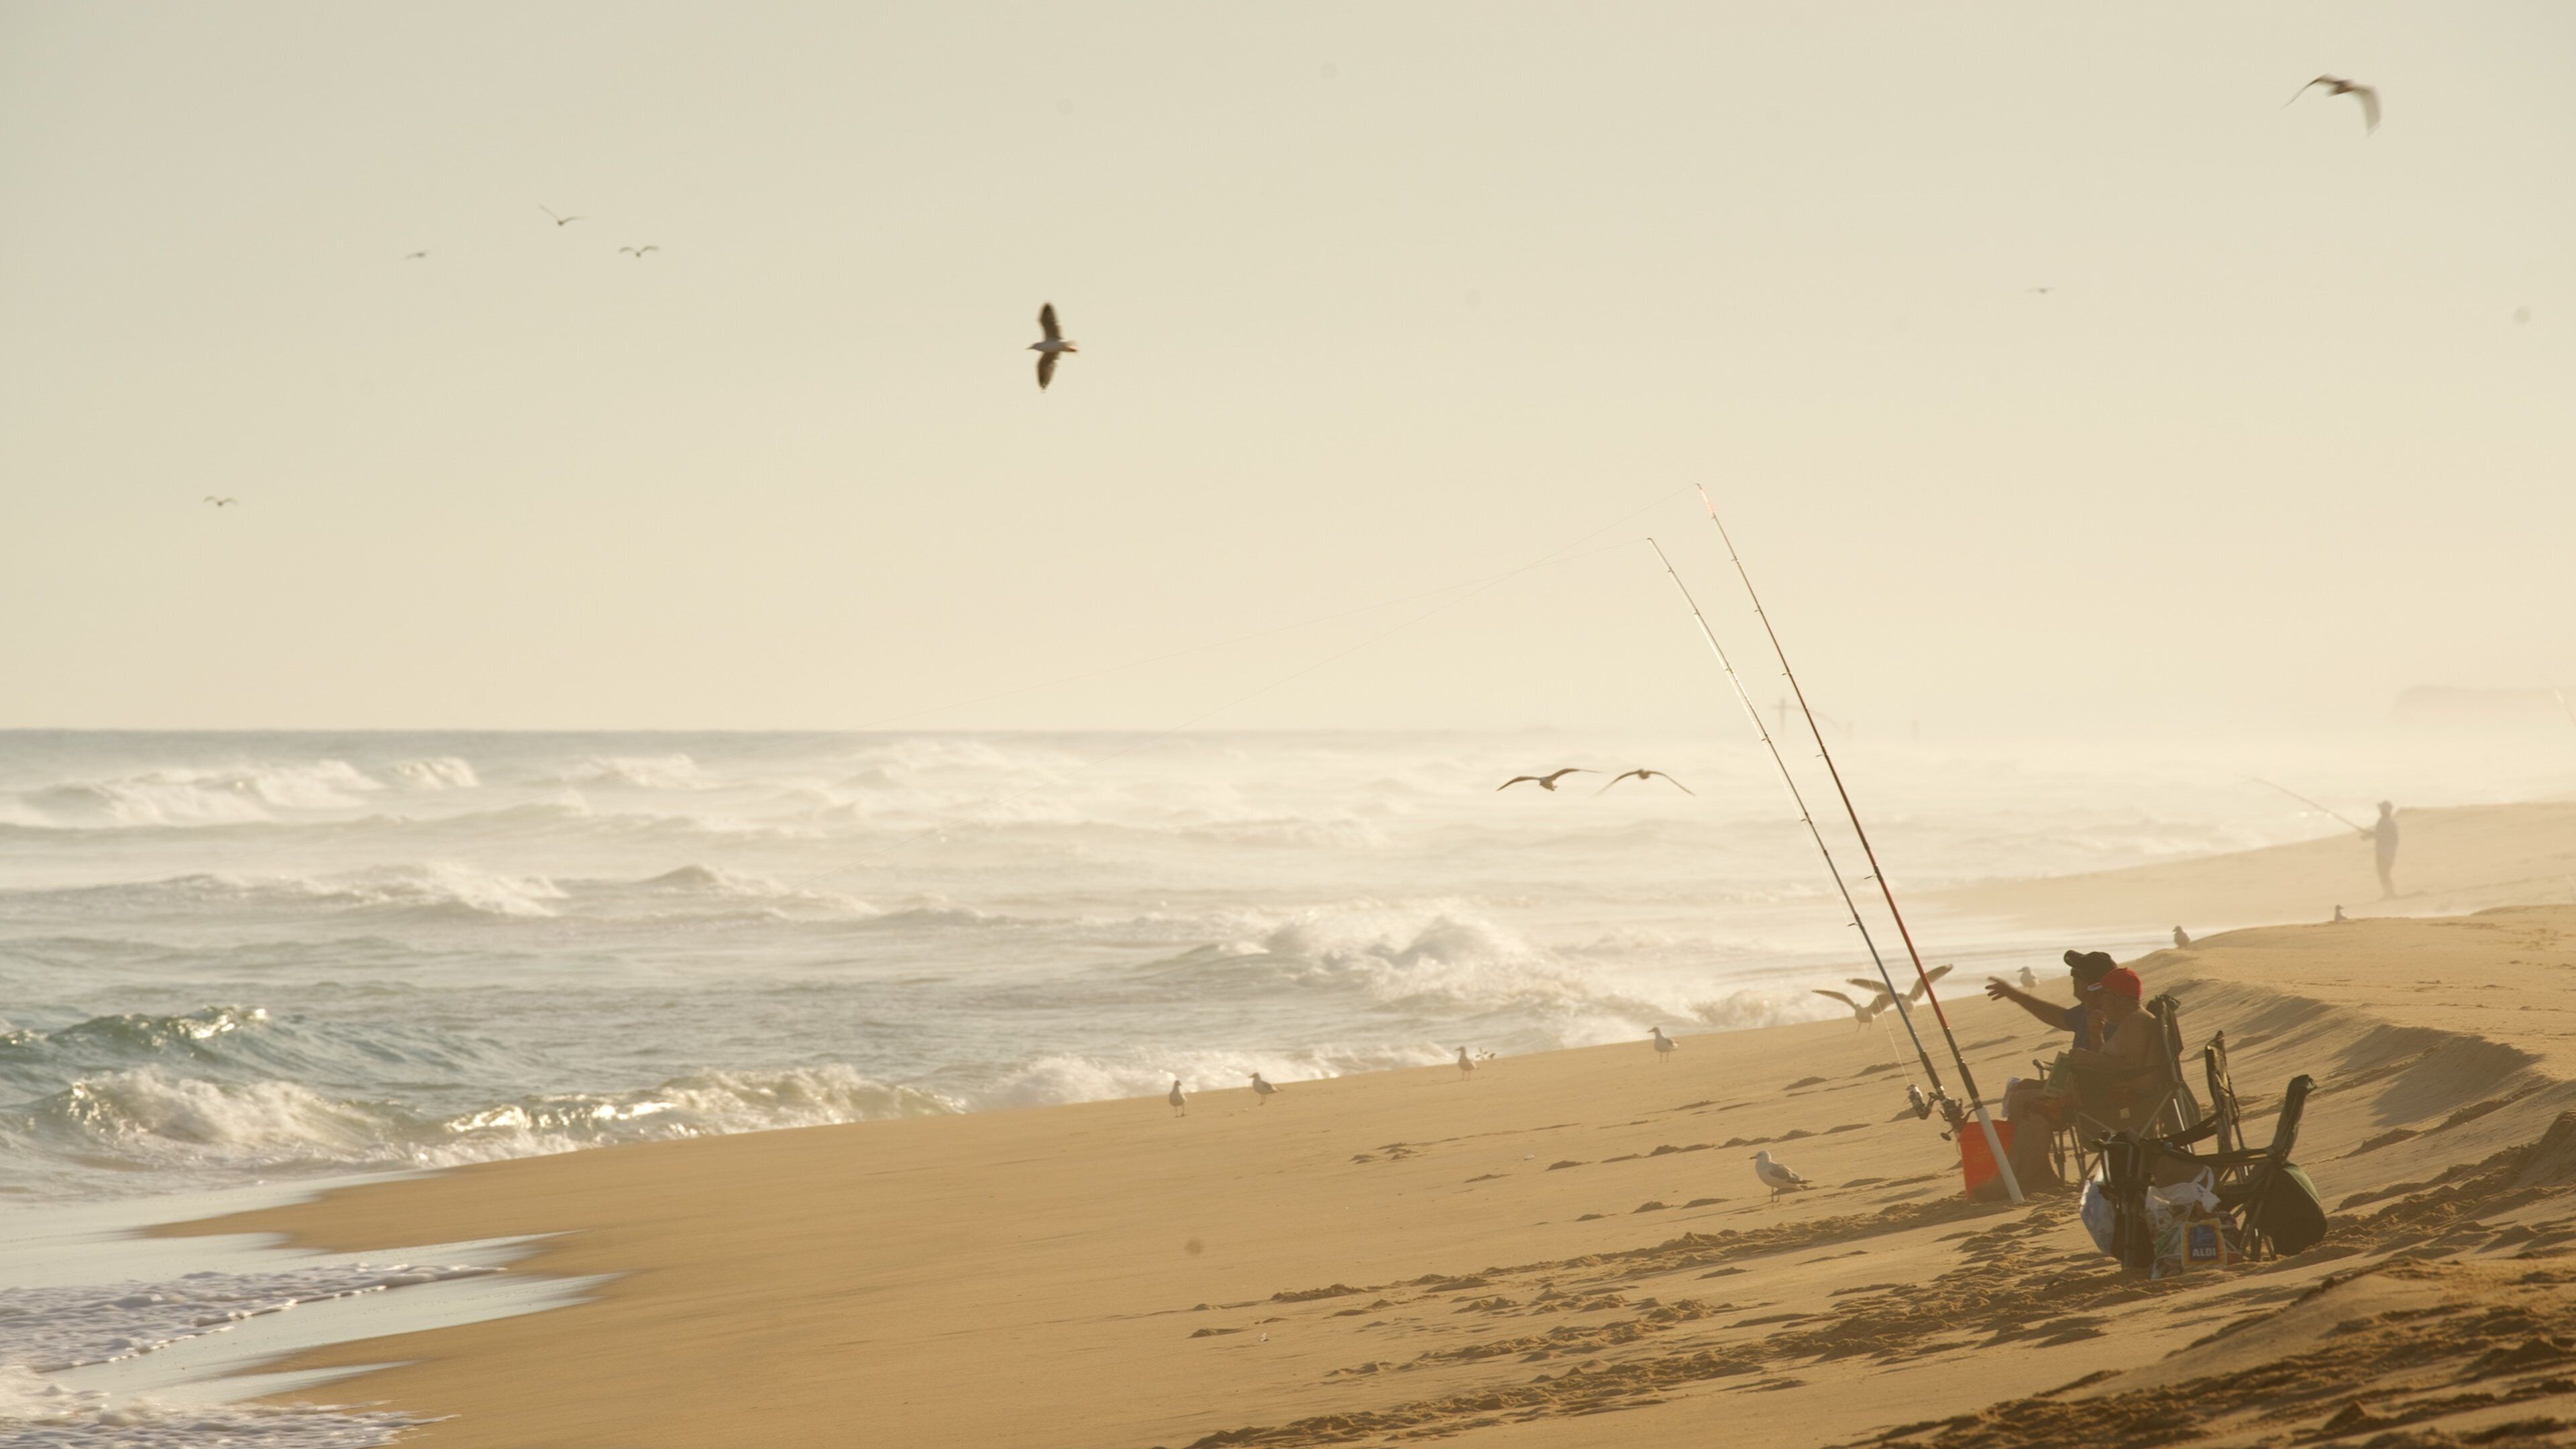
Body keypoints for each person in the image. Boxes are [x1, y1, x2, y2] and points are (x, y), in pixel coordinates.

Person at [2368, 801, 2399, 900]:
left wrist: (2371, 835)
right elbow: (2381, 835)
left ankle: (2390, 894)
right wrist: (2371, 835)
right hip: (2387, 852)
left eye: (2382, 809)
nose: (2380, 810)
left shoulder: (2385, 821)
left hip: (2384, 853)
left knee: (2383, 873)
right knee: (2384, 873)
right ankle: (2389, 893)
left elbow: (2383, 836)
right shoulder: (2388, 821)